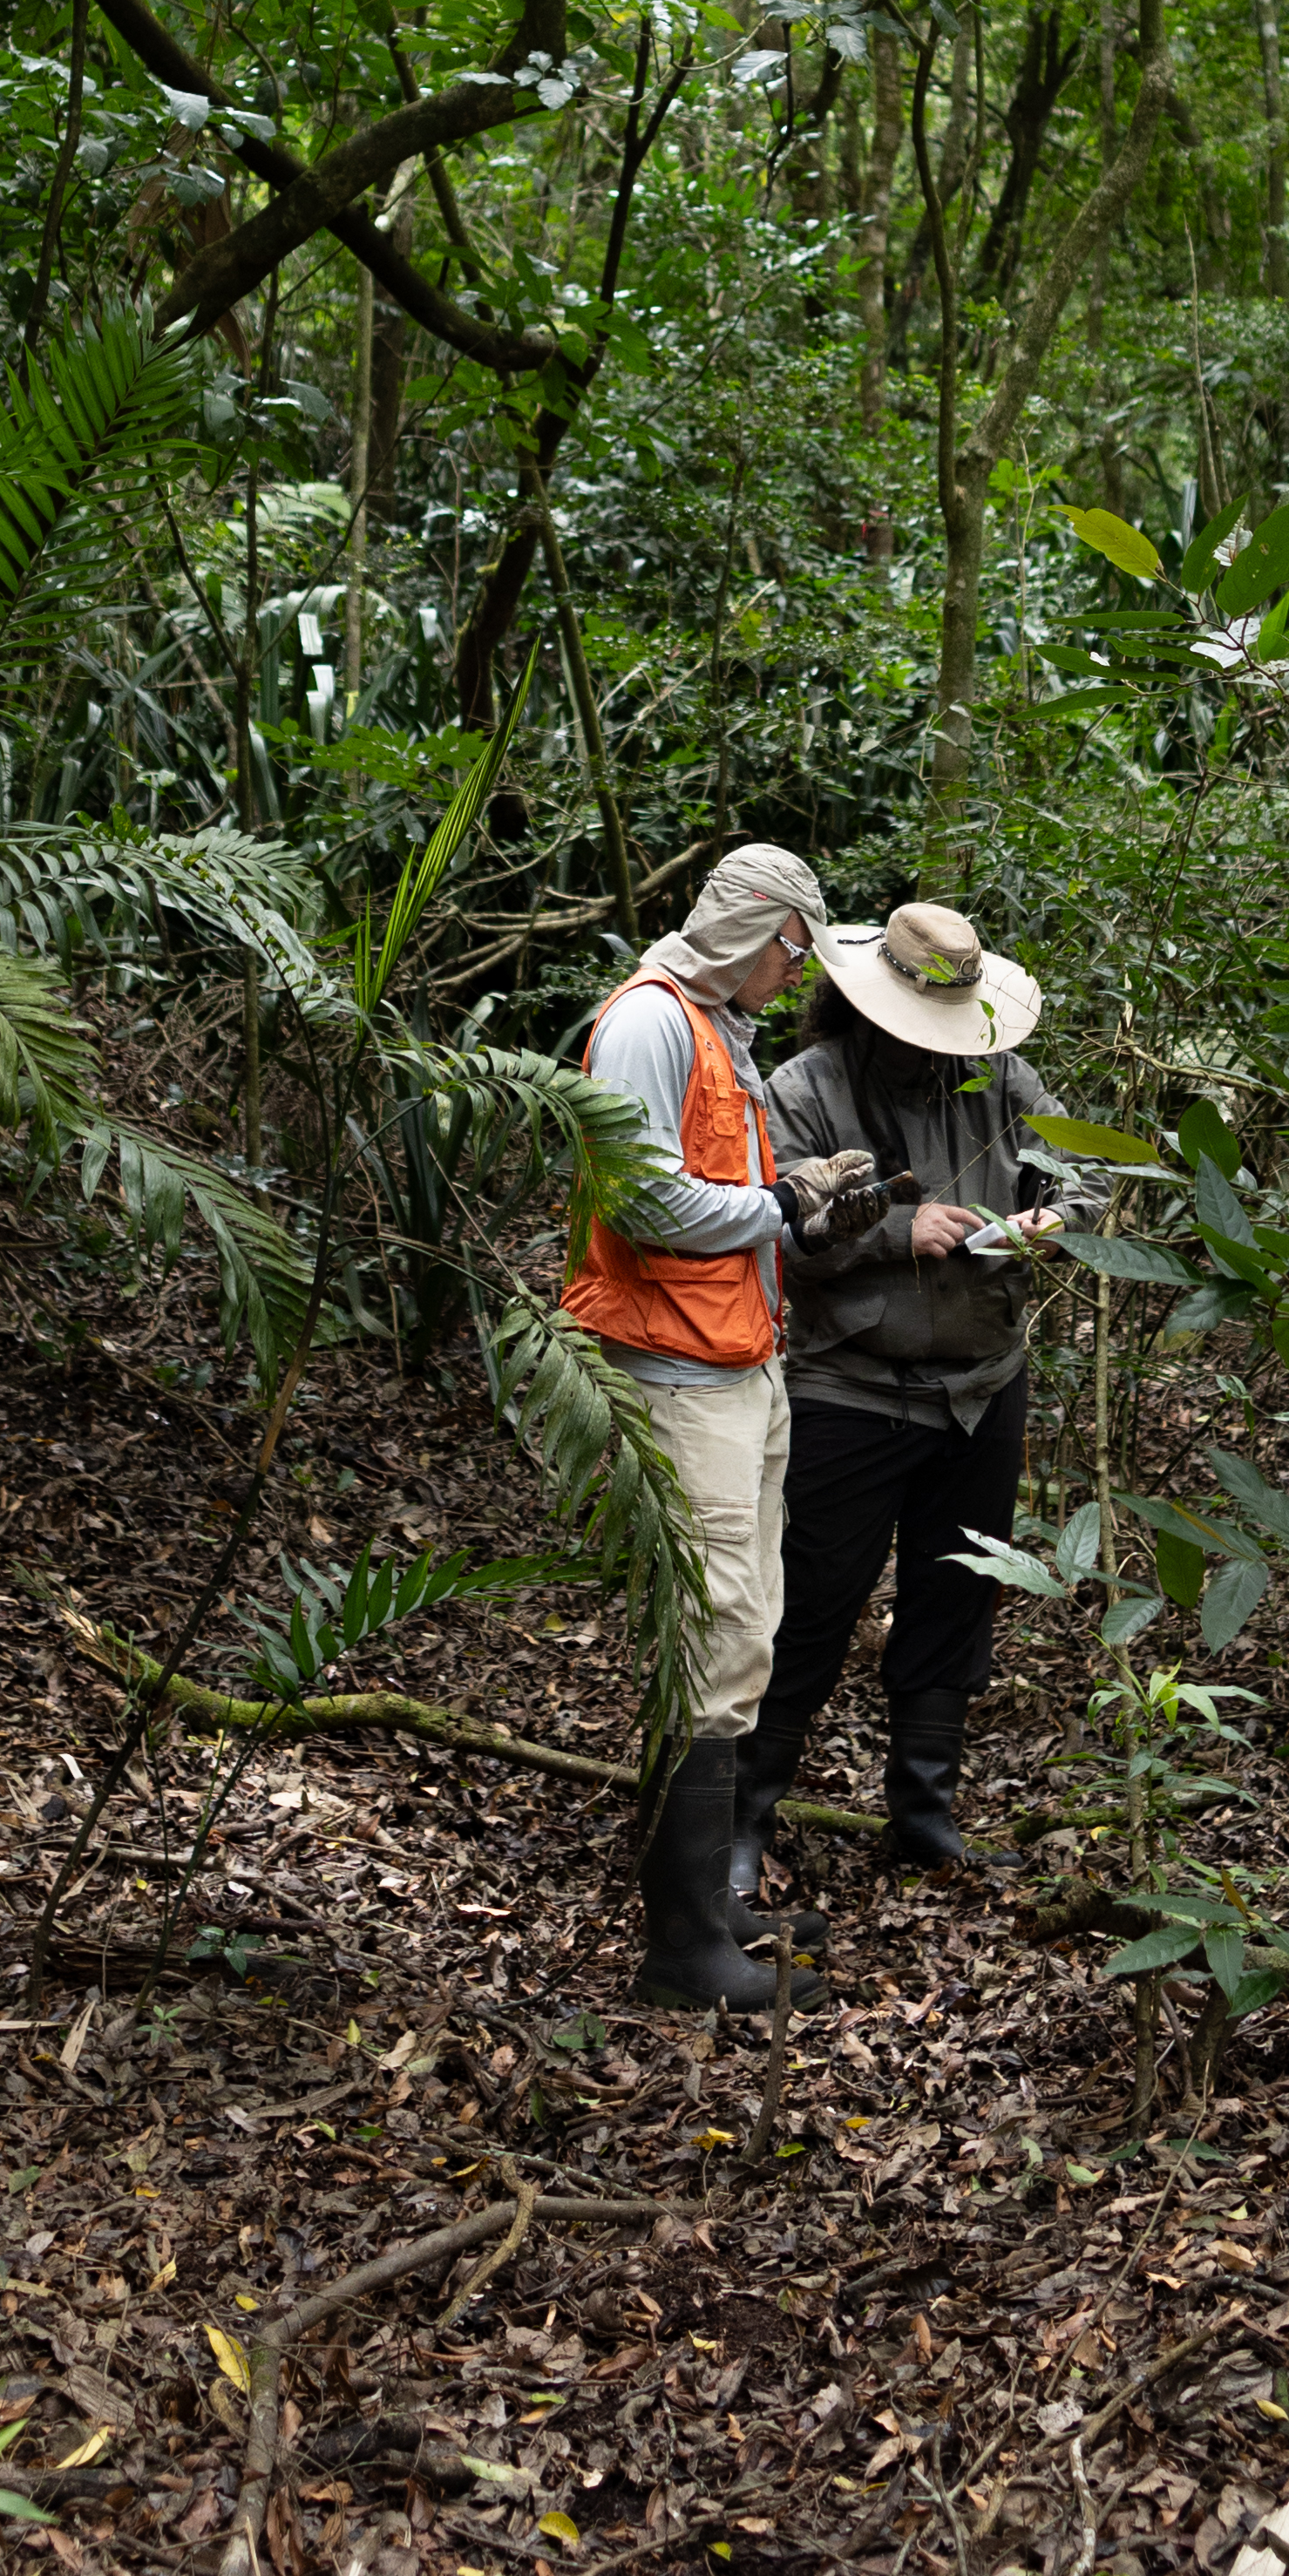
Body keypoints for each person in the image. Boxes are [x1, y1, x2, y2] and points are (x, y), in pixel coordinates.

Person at [560, 840, 881, 2012]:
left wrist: (814, 1219)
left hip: (739, 1362)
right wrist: (775, 1203)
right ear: (760, 932)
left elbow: (731, 1212)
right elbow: (644, 1202)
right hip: (671, 1372)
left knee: (744, 1630)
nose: (794, 984)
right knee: (707, 1638)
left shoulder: (718, 1032)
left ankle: (709, 1907)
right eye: (793, 954)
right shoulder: (649, 1023)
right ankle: (680, 1945)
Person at [732, 898, 1070, 1905]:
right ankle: (745, 1814)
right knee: (809, 1603)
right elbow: (777, 1234)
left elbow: (1081, 1181)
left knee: (956, 1597)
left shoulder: (1004, 1079)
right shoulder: (804, 1089)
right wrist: (896, 1228)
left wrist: (1049, 1219)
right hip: (849, 1384)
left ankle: (924, 1811)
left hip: (980, 1385)